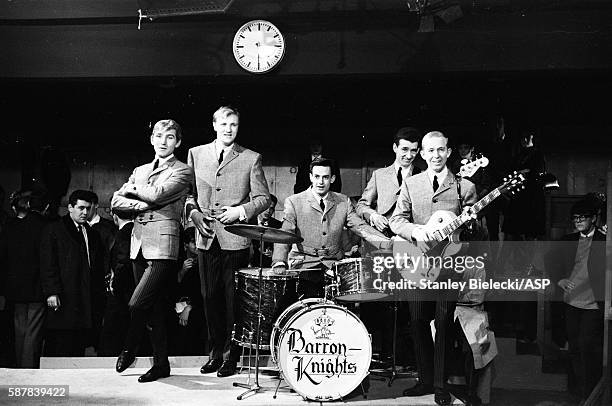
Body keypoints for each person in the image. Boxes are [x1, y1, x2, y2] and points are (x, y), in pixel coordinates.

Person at [389, 131, 477, 406]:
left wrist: (471, 223)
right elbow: (397, 220)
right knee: (416, 322)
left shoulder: (464, 186)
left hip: (450, 265)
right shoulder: (411, 183)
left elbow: (476, 231)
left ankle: (440, 385)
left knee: (442, 323)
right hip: (416, 262)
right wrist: (418, 232)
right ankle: (425, 379)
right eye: (430, 150)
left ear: (449, 152)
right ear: (422, 154)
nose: (436, 155)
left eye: (441, 150)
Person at [185, 106, 271, 378]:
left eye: (233, 124)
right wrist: (194, 213)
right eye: (223, 123)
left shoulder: (251, 158)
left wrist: (241, 211)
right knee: (209, 300)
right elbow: (188, 195)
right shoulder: (195, 154)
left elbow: (263, 199)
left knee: (233, 302)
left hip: (236, 240)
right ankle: (214, 354)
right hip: (206, 238)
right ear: (214, 125)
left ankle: (230, 357)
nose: (228, 128)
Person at [112, 119, 193, 383]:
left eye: (169, 137)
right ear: (151, 139)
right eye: (158, 136)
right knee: (154, 308)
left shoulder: (183, 170)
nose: (163, 141)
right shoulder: (140, 168)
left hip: (163, 245)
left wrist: (133, 190)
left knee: (138, 303)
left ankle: (129, 347)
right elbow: (115, 202)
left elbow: (159, 194)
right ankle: (161, 364)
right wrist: (140, 205)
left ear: (177, 142)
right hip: (138, 243)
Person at [271, 158, 391, 297]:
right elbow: (285, 232)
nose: (320, 182)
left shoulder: (343, 201)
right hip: (304, 267)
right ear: (310, 177)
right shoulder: (294, 201)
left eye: (325, 177)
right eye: (316, 177)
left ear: (332, 179)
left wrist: (385, 242)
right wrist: (279, 261)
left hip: (334, 267)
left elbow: (360, 227)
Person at [40, 189, 105, 357]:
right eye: (81, 208)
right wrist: (52, 292)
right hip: (64, 295)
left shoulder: (92, 233)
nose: (85, 212)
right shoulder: (54, 229)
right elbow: (48, 263)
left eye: (88, 208)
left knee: (78, 343)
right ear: (70, 207)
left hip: (84, 297)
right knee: (61, 343)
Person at [552, 199, 605, 402]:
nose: (578, 221)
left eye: (582, 218)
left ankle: (590, 395)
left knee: (587, 347)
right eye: (575, 218)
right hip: (571, 303)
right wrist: (560, 280)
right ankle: (579, 394)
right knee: (574, 348)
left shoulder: (604, 240)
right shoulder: (568, 240)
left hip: (593, 305)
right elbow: (552, 263)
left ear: (593, 218)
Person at [0, 190, 48, 367]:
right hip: (37, 287)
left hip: (14, 288)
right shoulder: (43, 226)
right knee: (33, 332)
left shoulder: (8, 227)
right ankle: (28, 369)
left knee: (20, 331)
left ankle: (19, 367)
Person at [357, 127, 422, 236]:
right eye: (404, 149)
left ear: (419, 151)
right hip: (383, 237)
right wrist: (374, 216)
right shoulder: (379, 175)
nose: (409, 155)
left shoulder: (422, 176)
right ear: (395, 147)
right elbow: (361, 206)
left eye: (413, 150)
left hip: (410, 238)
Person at [98, 210, 134, 357]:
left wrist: (115, 284)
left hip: (123, 291)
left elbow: (122, 261)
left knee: (114, 334)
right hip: (129, 289)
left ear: (115, 215)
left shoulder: (125, 232)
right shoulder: (133, 231)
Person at [170, 227, 206, 356]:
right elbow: (173, 287)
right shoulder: (178, 262)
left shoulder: (204, 262)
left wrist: (189, 307)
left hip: (196, 305)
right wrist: (183, 271)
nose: (196, 246)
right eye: (193, 242)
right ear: (186, 245)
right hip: (177, 304)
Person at [251, 194, 282, 268]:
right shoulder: (249, 222)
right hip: (250, 262)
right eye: (266, 208)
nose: (268, 211)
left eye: (271, 208)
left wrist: (274, 253)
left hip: (269, 265)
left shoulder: (278, 225)